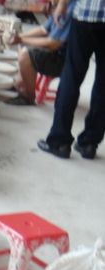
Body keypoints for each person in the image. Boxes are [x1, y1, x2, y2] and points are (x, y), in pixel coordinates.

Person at [38, 0, 104, 160]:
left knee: (72, 76)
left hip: (84, 15)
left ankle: (59, 141)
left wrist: (62, 4)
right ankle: (89, 143)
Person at [6, 0, 75, 105]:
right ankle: (20, 84)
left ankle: (28, 96)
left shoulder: (70, 8)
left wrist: (21, 40)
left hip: (64, 61)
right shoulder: (62, 5)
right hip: (55, 51)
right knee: (23, 46)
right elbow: (43, 29)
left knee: (26, 54)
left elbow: (54, 43)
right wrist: (19, 37)